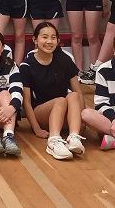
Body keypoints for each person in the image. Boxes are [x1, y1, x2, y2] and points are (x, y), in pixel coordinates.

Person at [21, 22, 85, 160]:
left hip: (63, 111)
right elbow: (26, 102)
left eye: (53, 37)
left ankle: (74, 136)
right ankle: (54, 140)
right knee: (61, 100)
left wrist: (82, 120)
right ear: (35, 40)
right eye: (44, 37)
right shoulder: (27, 65)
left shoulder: (65, 60)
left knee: (73, 95)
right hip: (41, 113)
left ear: (57, 40)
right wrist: (36, 129)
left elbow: (78, 91)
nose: (49, 41)